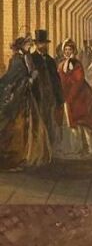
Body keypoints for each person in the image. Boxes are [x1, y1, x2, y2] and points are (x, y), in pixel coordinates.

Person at [0, 37, 51, 170]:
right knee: (17, 127)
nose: (30, 46)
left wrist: (32, 77)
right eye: (28, 44)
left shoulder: (27, 57)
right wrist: (29, 79)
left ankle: (26, 157)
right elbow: (14, 78)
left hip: (27, 98)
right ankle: (12, 160)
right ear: (21, 45)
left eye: (31, 44)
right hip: (18, 98)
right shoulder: (16, 59)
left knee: (29, 127)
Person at [57, 40, 92, 156]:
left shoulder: (77, 64)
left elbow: (78, 81)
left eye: (70, 50)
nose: (67, 52)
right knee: (72, 124)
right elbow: (60, 80)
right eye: (66, 50)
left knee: (85, 123)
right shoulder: (61, 65)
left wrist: (70, 96)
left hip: (81, 97)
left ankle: (90, 148)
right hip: (68, 98)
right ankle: (75, 148)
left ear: (73, 51)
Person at [31, 29, 63, 147]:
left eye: (44, 43)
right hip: (38, 97)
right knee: (38, 123)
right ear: (36, 44)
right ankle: (40, 149)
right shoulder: (31, 59)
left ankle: (50, 149)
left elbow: (56, 80)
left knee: (50, 122)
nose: (43, 45)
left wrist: (59, 98)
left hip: (50, 98)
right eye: (40, 43)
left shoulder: (50, 60)